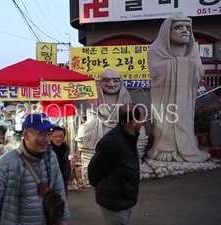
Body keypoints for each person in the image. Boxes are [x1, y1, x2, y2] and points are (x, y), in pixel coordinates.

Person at [0, 113, 70, 225]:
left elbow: (59, 190)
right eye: (42, 134)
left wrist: (64, 218)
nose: (47, 139)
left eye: (48, 134)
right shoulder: (5, 163)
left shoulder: (51, 157)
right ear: (26, 134)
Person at [147, 14, 210, 163]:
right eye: (178, 27)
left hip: (185, 97)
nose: (184, 31)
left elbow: (200, 70)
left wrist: (183, 64)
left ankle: (187, 147)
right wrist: (176, 64)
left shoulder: (192, 51)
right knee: (165, 118)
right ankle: (165, 147)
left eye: (188, 28)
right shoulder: (156, 50)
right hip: (164, 95)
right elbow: (155, 71)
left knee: (185, 118)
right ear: (167, 31)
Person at [88, 104, 145, 225]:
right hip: (114, 199)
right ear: (133, 122)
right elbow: (95, 166)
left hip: (124, 196)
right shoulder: (112, 142)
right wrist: (94, 183)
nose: (144, 121)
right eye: (142, 117)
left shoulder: (129, 136)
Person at [50, 126, 70, 197]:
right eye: (55, 136)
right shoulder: (47, 149)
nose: (58, 139)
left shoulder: (66, 148)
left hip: (63, 176)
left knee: (63, 196)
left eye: (61, 136)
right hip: (51, 177)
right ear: (51, 137)